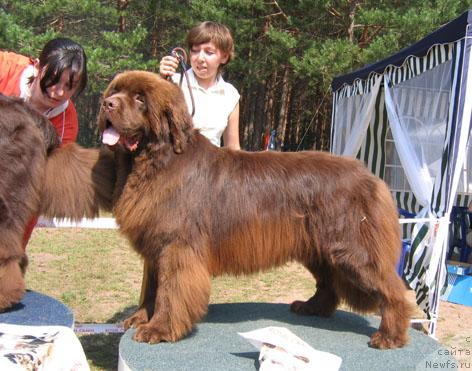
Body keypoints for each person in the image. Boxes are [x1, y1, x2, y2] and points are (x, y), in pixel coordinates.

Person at [0, 37, 88, 247]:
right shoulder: (5, 68)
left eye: (70, 86)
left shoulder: (67, 125)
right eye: (54, 79)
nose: (59, 92)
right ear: (38, 66)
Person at [159, 21, 241, 150]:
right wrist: (160, 80)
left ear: (224, 57)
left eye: (209, 52)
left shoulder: (230, 95)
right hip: (174, 164)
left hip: (211, 168)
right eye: (195, 51)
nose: (200, 58)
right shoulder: (172, 83)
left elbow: (233, 148)